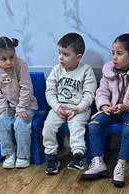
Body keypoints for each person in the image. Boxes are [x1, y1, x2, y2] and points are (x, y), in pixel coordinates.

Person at [82, 33, 129, 187]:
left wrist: (127, 106)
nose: (114, 57)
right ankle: (98, 161)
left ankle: (121, 164)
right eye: (113, 53)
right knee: (93, 125)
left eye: (119, 53)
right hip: (111, 109)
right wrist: (104, 106)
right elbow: (101, 92)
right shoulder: (109, 71)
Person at [42, 32, 97, 175]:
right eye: (59, 53)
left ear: (78, 57)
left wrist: (78, 108)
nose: (60, 57)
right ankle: (51, 156)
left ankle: (78, 155)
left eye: (66, 54)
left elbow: (89, 94)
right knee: (48, 126)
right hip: (59, 107)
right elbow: (50, 92)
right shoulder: (56, 70)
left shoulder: (86, 71)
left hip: (79, 109)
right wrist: (57, 107)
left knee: (76, 126)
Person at [0, 35, 38, 170]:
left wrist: (21, 107)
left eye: (12, 57)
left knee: (20, 124)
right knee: (0, 123)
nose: (9, 62)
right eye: (4, 59)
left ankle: (23, 156)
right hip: (8, 106)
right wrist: (2, 104)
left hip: (26, 105)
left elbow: (27, 88)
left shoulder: (21, 65)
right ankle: (9, 154)